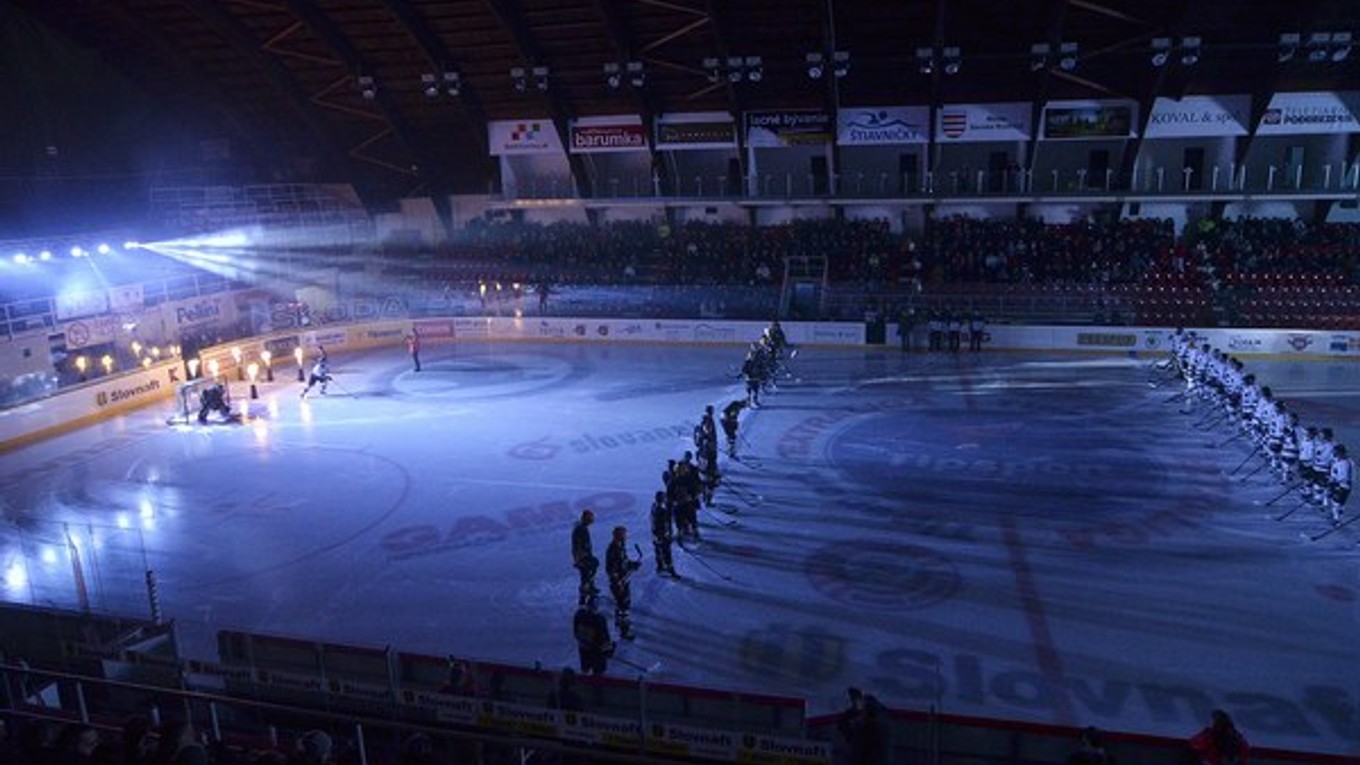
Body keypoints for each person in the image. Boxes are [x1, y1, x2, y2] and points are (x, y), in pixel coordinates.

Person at [604, 526, 641, 640]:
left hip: (623, 579)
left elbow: (623, 562)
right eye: (624, 534)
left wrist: (632, 564)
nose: (626, 536)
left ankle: (619, 622)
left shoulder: (620, 547)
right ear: (619, 536)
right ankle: (624, 630)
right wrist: (617, 582)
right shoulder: (613, 549)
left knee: (621, 603)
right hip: (620, 582)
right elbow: (611, 568)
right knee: (623, 604)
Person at [572, 597, 613, 675]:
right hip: (596, 651)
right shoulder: (599, 619)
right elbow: (604, 637)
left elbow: (576, 633)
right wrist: (607, 649)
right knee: (598, 671)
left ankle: (585, 681)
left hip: (583, 648)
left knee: (585, 669)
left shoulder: (579, 615)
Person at [571, 509, 599, 606]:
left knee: (590, 572)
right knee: (585, 576)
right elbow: (577, 546)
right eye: (591, 518)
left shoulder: (583, 528)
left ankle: (590, 588)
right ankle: (583, 598)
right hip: (583, 557)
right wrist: (578, 559)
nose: (592, 520)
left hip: (585, 556)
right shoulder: (580, 529)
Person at [650, 490, 678, 578]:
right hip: (661, 535)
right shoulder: (662, 511)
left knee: (658, 551)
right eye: (664, 497)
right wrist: (668, 534)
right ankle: (670, 569)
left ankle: (660, 566)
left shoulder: (654, 507)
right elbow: (665, 524)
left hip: (656, 534)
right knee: (666, 552)